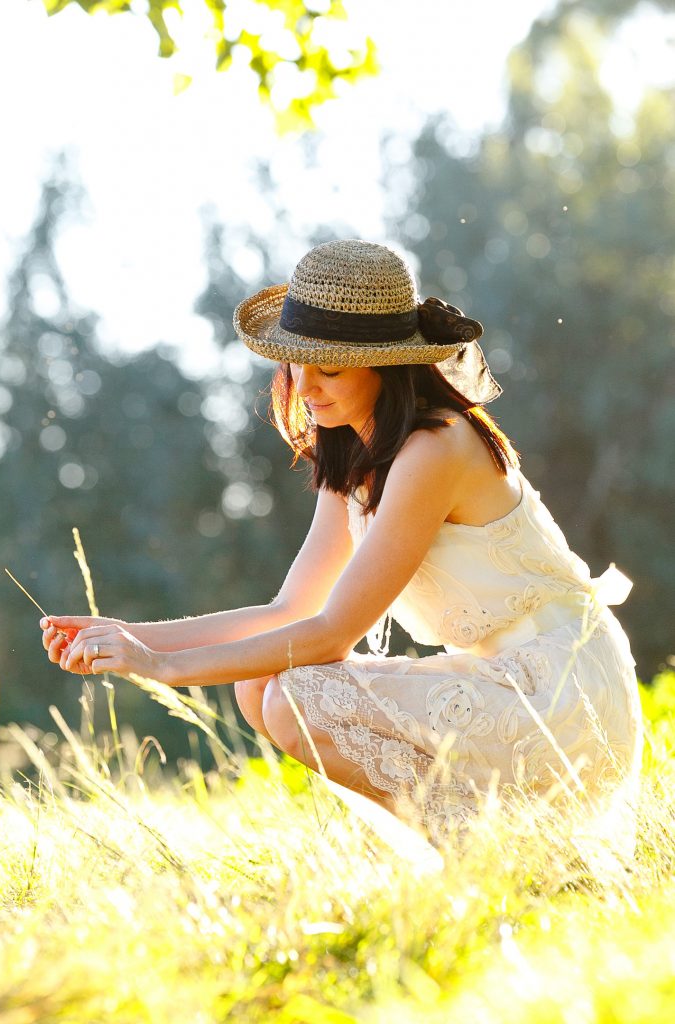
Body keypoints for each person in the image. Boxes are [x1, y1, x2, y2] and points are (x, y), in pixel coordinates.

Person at [40, 239, 643, 836]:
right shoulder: (355, 458)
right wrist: (128, 638)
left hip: (564, 692)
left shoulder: (438, 446)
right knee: (262, 685)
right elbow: (291, 610)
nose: (305, 386)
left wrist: (163, 669)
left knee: (292, 698)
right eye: (296, 362)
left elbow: (331, 634)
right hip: (501, 681)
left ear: (387, 366)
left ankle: (491, 854)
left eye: (328, 367)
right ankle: (492, 853)